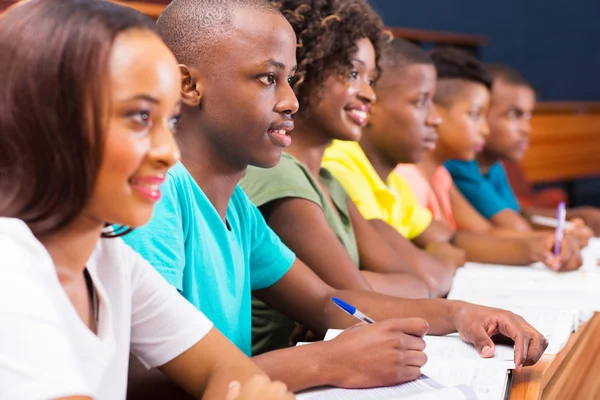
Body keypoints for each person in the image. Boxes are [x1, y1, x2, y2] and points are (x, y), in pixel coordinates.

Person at [122, 0, 548, 393]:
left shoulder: (237, 209)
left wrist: (457, 314)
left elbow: (329, 301)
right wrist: (325, 361)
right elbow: (149, 376)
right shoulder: (157, 201)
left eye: (289, 79)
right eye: (268, 79)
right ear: (189, 85)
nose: (290, 100)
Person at [0, 1, 294, 399]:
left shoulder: (108, 258)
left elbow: (235, 373)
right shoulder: (9, 264)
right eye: (140, 117)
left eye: (170, 120)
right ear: (47, 119)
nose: (168, 152)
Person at [239, 0, 454, 355]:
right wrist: (352, 294)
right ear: (306, 69)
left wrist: (352, 292)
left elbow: (418, 283)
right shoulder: (279, 177)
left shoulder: (329, 181)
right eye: (353, 74)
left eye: (371, 79)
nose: (369, 93)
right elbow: (354, 307)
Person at [322, 44, 582, 271]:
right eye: (420, 102)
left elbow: (451, 240)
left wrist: (539, 246)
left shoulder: (394, 179)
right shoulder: (341, 167)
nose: (434, 118)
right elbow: (412, 269)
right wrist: (435, 256)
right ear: (371, 105)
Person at [394, 44, 590, 249]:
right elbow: (455, 241)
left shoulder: (441, 175)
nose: (485, 130)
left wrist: (557, 238)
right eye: (475, 115)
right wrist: (551, 241)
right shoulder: (413, 176)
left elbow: (483, 232)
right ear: (436, 115)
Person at [446, 63, 600, 236]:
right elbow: (515, 227)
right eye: (514, 115)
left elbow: (517, 213)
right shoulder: (459, 166)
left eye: (528, 116)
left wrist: (579, 216)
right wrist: (567, 232)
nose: (527, 129)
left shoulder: (494, 167)